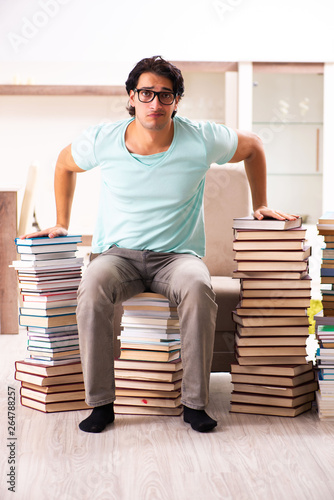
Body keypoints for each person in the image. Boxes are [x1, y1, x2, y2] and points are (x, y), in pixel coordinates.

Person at [23, 56, 297, 433]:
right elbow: (64, 163)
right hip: (118, 256)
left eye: (165, 95)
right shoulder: (103, 139)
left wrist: (261, 203)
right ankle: (101, 404)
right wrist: (61, 222)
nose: (155, 103)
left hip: (177, 258)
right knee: (91, 288)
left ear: (176, 101)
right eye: (146, 93)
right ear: (131, 96)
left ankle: (195, 404)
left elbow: (254, 146)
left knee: (199, 287)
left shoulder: (200, 138)